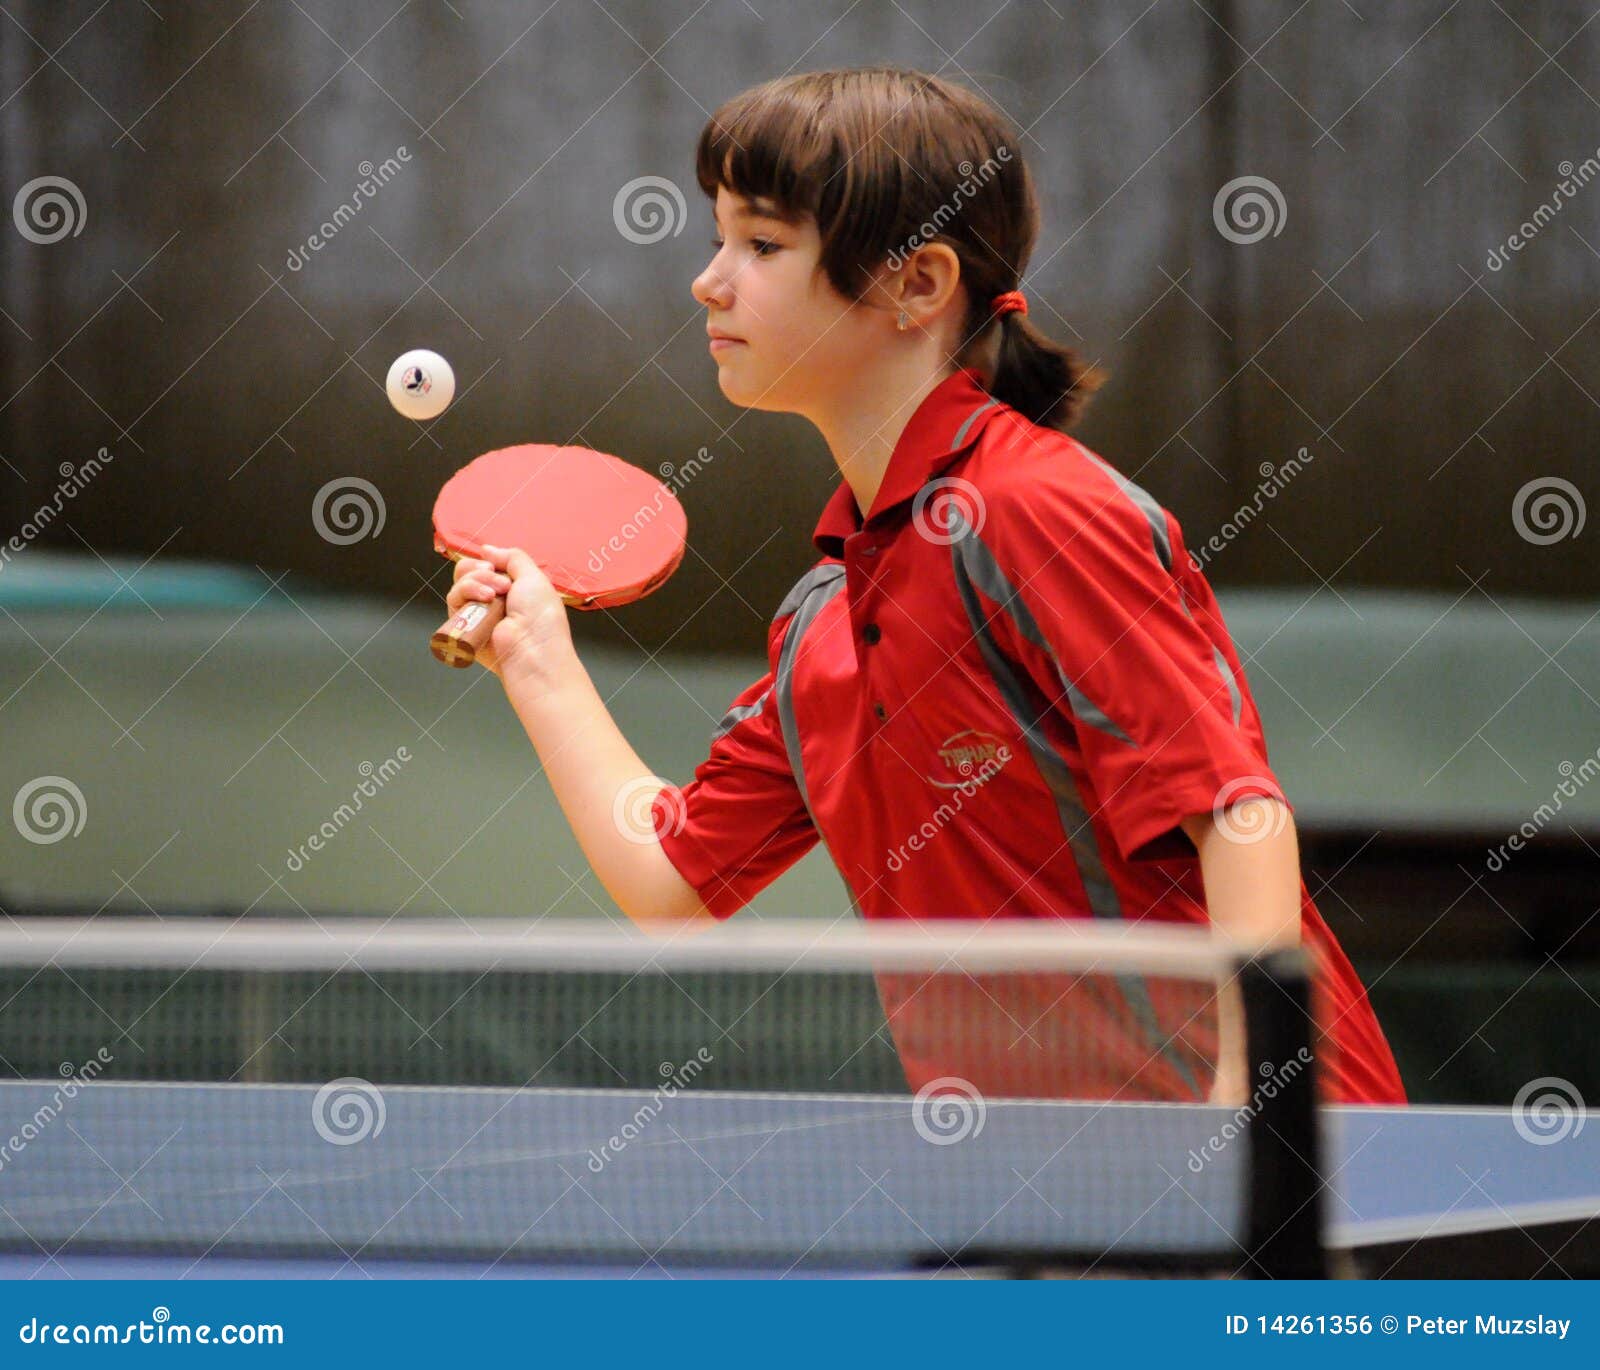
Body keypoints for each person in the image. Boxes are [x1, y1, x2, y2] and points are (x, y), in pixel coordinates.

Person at [447, 67, 1406, 1106]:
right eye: (717, 237)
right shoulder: (828, 612)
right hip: (1054, 1192)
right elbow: (673, 882)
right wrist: (535, 659)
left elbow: (1235, 812)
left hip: (1284, 1176)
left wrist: (1249, 1134)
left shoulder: (1036, 510)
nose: (708, 280)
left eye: (762, 245)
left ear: (917, 282)